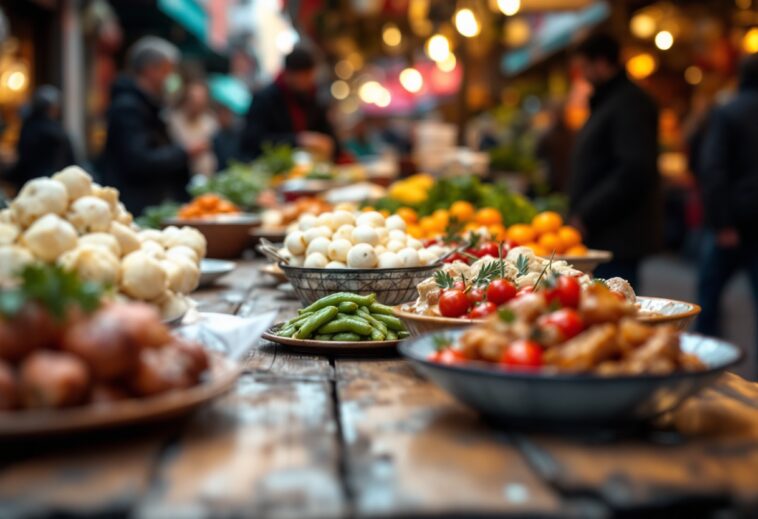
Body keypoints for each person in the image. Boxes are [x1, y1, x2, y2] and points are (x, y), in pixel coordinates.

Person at [568, 33, 661, 289]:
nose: (582, 75)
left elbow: (634, 169)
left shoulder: (629, 103)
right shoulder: (609, 101)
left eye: (584, 67)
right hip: (604, 233)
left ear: (601, 63)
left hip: (617, 236)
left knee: (615, 305)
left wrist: (586, 214)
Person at [102, 36, 206, 215]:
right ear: (151, 70)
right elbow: (138, 160)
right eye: (168, 70)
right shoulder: (128, 107)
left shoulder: (149, 105)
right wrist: (184, 152)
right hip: (134, 207)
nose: (172, 78)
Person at [695, 54, 758, 343]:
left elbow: (713, 169)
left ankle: (707, 364)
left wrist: (721, 223)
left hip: (731, 222)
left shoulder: (728, 112)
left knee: (708, 298)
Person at [240, 46, 339, 160]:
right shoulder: (264, 99)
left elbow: (327, 134)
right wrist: (298, 140)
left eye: (310, 75)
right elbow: (253, 140)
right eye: (303, 75)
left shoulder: (312, 97)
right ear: (288, 74)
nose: (307, 80)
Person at [7, 86, 75, 190]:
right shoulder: (54, 130)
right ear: (51, 108)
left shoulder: (30, 127)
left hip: (32, 184)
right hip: (52, 185)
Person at [169, 81, 217, 177]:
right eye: (194, 101)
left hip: (207, 175)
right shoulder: (173, 121)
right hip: (181, 176)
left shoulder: (210, 122)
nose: (197, 106)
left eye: (201, 102)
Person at [212, 102, 242, 171]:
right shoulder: (216, 137)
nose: (225, 118)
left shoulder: (238, 132)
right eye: (222, 114)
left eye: (227, 114)